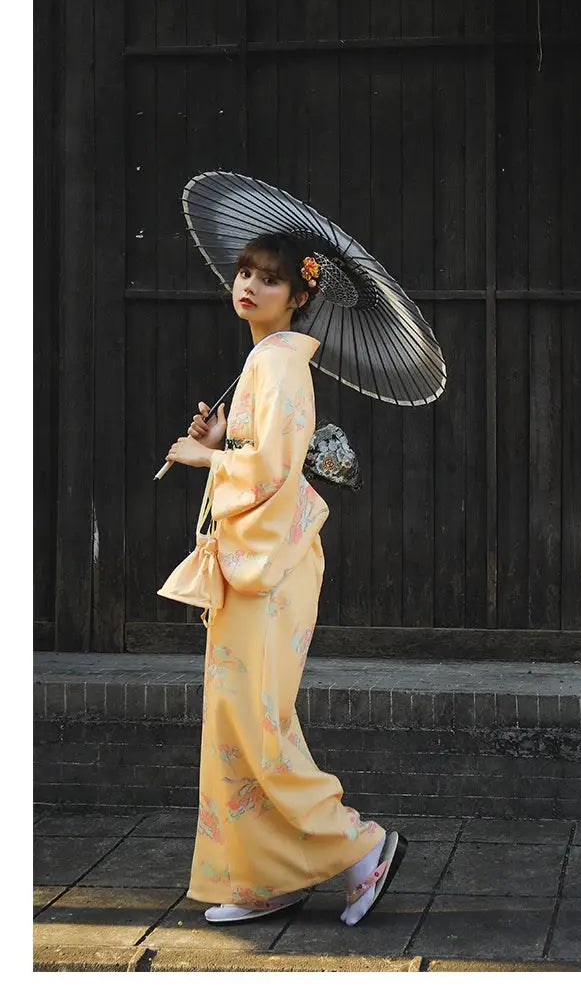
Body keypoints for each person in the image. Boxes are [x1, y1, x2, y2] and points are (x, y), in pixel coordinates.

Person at [164, 233, 407, 927]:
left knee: (256, 723)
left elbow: (273, 469)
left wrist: (202, 460)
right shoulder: (264, 362)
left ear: (299, 297)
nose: (248, 286)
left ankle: (360, 848)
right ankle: (267, 875)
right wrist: (218, 445)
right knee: (241, 720)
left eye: (268, 279)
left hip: (269, 568)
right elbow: (260, 453)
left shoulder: (277, 364)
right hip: (259, 561)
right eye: (243, 273)